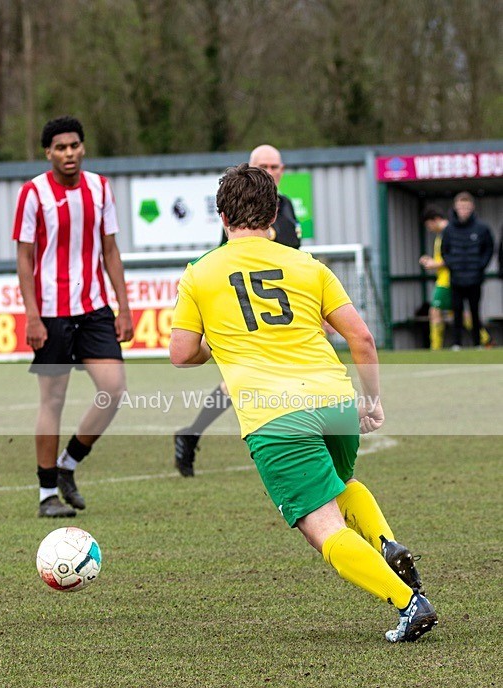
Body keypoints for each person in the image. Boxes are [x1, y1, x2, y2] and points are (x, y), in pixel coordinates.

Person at [170, 162, 437, 643]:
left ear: (221, 216)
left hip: (275, 417)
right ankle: (384, 540)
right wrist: (372, 402)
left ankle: (407, 602)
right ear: (274, 213)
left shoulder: (200, 275)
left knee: (323, 527)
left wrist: (220, 343)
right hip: (334, 402)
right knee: (342, 484)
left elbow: (182, 354)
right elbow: (362, 338)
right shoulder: (308, 265)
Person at [12, 115, 133, 517]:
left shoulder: (100, 188)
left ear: (83, 147)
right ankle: (47, 493)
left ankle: (69, 463)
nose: (69, 153)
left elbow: (110, 251)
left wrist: (123, 306)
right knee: (54, 400)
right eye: (60, 148)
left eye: (74, 145)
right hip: (50, 313)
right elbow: (25, 258)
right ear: (48, 153)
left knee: (114, 388)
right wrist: (32, 315)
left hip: (95, 309)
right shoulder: (33, 194)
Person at [174, 144, 302, 477]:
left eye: (276, 166)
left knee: (245, 380)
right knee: (245, 379)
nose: (271, 171)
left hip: (279, 306)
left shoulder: (285, 207)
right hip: (245, 303)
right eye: (264, 166)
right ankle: (196, 434)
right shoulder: (242, 211)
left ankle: (191, 434)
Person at [420, 206, 493, 350]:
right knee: (461, 314)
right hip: (445, 279)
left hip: (447, 281)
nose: (429, 229)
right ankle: (486, 339)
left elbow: (452, 258)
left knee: (435, 311)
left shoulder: (450, 232)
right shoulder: (442, 234)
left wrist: (434, 264)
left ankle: (435, 349)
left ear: (435, 220)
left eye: (428, 225)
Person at [441, 192, 494, 350]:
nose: (463, 210)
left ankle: (477, 342)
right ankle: (457, 343)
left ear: (472, 207)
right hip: (456, 278)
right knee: (456, 312)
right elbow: (445, 250)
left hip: (474, 278)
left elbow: (489, 249)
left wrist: (480, 265)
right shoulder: (449, 229)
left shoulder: (482, 228)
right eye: (460, 207)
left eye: (466, 206)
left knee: (475, 311)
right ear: (455, 208)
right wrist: (453, 265)